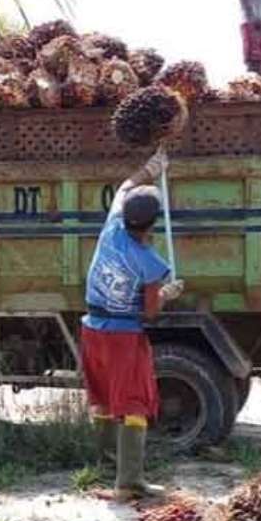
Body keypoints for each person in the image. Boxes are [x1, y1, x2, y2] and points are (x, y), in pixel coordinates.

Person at [81, 149, 185, 500]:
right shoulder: (151, 263)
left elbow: (126, 185)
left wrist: (150, 170)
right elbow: (150, 312)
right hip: (123, 336)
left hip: (93, 328)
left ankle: (108, 466)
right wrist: (168, 292)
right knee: (134, 403)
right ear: (153, 225)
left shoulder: (111, 229)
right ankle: (129, 484)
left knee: (105, 400)